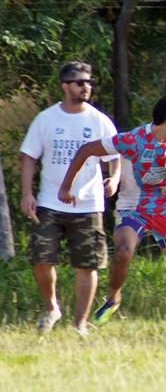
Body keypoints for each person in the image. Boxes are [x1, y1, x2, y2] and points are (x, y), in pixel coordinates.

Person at [58, 91, 166, 339]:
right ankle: (112, 298)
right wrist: (66, 186)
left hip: (165, 210)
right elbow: (87, 149)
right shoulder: (133, 140)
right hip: (134, 208)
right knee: (123, 251)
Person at [19, 61, 119, 335]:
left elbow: (115, 154)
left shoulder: (99, 120)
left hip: (89, 203)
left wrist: (115, 177)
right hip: (50, 201)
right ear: (65, 86)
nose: (86, 87)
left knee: (87, 264)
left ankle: (80, 324)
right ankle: (51, 308)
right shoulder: (46, 119)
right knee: (41, 258)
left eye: (89, 82)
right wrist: (27, 193)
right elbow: (28, 156)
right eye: (80, 82)